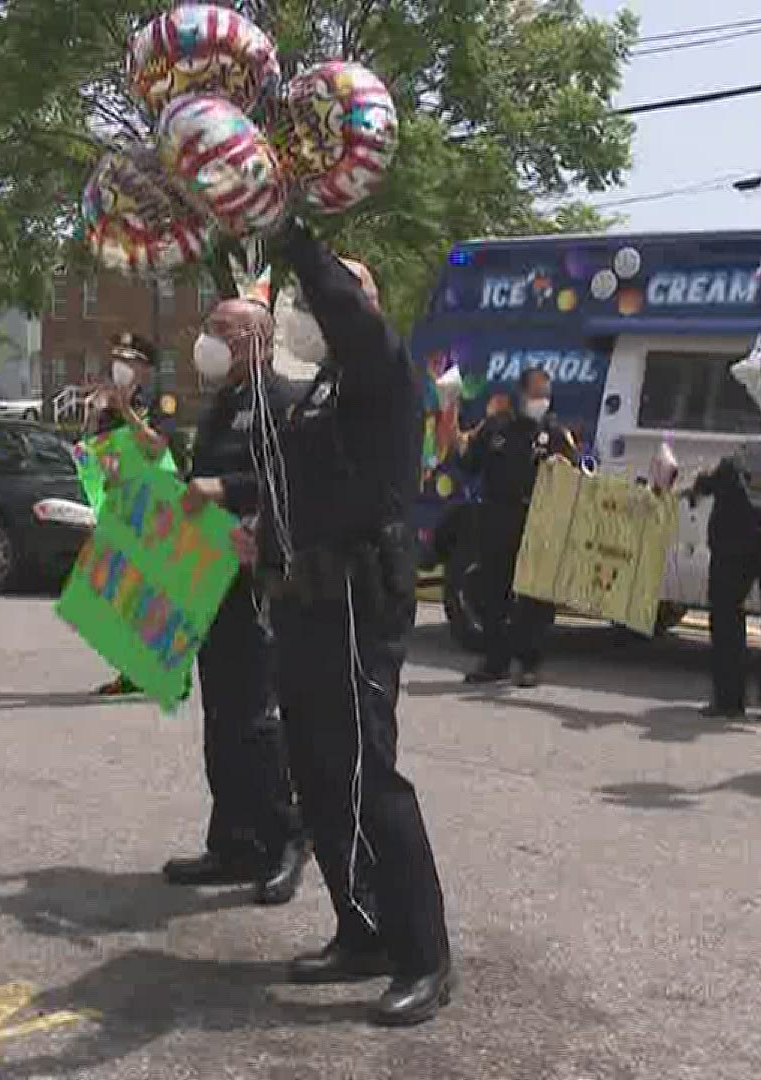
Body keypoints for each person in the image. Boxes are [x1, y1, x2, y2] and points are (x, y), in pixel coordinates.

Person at [229, 218, 453, 1025]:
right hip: (303, 598)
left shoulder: (383, 370)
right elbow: (296, 487)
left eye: (327, 296)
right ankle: (359, 927)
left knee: (368, 771)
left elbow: (349, 317)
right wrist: (262, 535)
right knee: (319, 769)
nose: (309, 311)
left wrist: (294, 239)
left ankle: (425, 954)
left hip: (362, 599)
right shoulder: (315, 390)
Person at [163, 299, 308, 905]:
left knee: (255, 719)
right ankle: (231, 842)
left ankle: (283, 840)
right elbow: (198, 482)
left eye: (221, 329)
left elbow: (288, 478)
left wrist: (223, 487)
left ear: (256, 338)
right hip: (210, 572)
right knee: (221, 717)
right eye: (208, 328)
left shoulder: (278, 401)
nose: (208, 339)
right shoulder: (220, 403)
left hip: (256, 576)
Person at [457, 366, 577, 687]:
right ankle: (495, 661)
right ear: (521, 394)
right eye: (536, 393)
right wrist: (455, 439)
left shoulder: (554, 434)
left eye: (546, 395)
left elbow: (576, 475)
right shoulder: (498, 428)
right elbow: (469, 464)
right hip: (497, 518)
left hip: (536, 522)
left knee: (534, 598)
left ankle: (530, 662)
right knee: (493, 592)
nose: (541, 400)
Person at [85, 333, 181, 699]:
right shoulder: (109, 407)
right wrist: (98, 419)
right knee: (126, 589)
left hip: (158, 503)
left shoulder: (161, 400)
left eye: (129, 360)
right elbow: (101, 454)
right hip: (123, 503)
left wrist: (127, 411)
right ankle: (129, 669)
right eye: (116, 359)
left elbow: (157, 447)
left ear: (145, 367)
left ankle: (168, 671)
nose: (120, 367)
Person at [686, 439, 761, 721]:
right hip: (731, 550)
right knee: (725, 617)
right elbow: (704, 485)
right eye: (758, 482)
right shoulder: (728, 473)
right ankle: (728, 699)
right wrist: (691, 490)